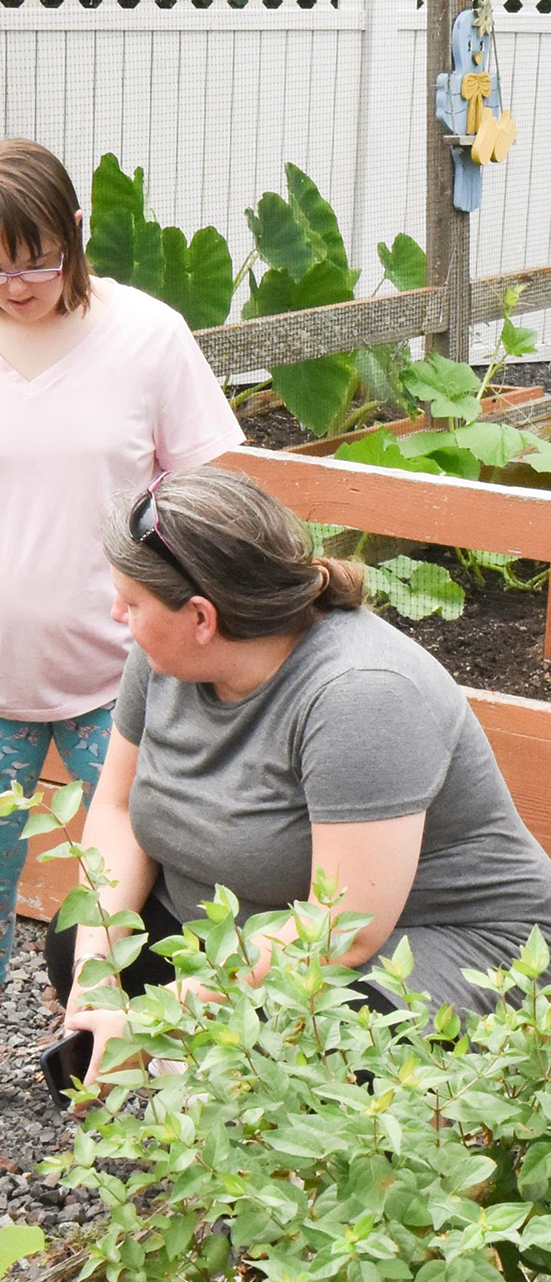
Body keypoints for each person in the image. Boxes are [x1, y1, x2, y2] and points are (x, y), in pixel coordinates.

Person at [0, 138, 243, 1122]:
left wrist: (182, 583)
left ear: (74, 235)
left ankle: (124, 1040)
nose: (12, 284)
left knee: (148, 861)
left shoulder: (149, 338)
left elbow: (211, 482)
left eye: (33, 259)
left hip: (121, 670)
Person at [47, 465, 551, 1088]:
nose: (116, 611)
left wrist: (160, 1013)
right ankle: (207, 1096)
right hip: (254, 910)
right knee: (78, 947)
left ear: (202, 617)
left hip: (444, 935)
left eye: (131, 601)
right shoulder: (163, 656)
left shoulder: (359, 695)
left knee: (335, 1036)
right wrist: (100, 969)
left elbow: (343, 929)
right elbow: (119, 811)